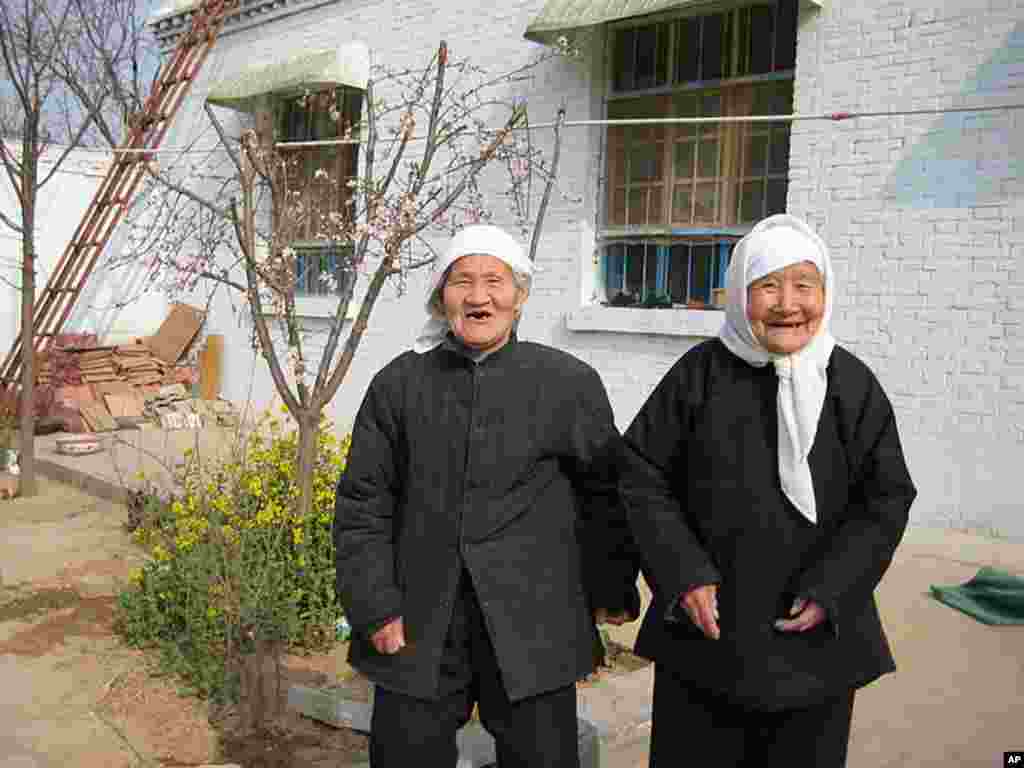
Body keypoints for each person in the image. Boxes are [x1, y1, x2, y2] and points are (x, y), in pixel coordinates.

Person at [333, 223, 639, 768]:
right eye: (462, 282)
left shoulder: (567, 383)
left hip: (535, 619)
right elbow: (364, 503)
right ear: (439, 296)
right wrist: (374, 606)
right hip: (419, 619)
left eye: (495, 281)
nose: (479, 297)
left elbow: (605, 496)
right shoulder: (400, 385)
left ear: (520, 296)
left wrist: (609, 588)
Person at [619, 214, 917, 767]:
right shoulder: (699, 374)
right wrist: (682, 572)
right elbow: (640, 473)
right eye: (768, 286)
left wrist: (833, 586)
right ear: (739, 295)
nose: (788, 304)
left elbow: (886, 497)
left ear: (825, 293)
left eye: (804, 286)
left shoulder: (850, 384)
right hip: (708, 633)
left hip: (813, 635)